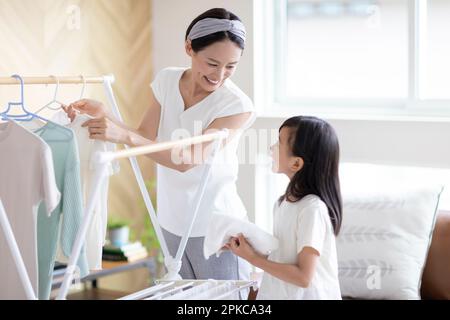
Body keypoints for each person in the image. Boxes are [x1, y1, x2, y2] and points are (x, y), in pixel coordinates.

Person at [64, 8, 255, 280]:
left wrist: (124, 136)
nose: (220, 74)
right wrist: (104, 114)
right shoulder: (167, 80)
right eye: (212, 63)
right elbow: (144, 134)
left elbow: (187, 160)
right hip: (171, 220)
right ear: (189, 47)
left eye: (231, 66)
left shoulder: (236, 105)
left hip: (217, 226)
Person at [227, 116, 343, 299]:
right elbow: (283, 261)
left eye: (278, 143)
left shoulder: (312, 209)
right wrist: (248, 251)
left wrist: (253, 259)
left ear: (296, 163)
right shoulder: (282, 204)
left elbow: (304, 277)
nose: (271, 148)